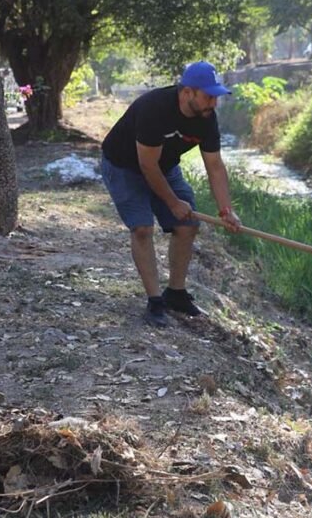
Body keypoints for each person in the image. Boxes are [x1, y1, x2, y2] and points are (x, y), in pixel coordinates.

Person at [101, 60, 241, 327]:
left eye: (216, 97)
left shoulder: (207, 119)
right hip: (124, 166)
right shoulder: (155, 109)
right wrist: (172, 202)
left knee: (187, 224)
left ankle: (176, 293)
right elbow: (146, 165)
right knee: (142, 228)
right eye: (208, 96)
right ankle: (155, 302)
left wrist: (226, 210)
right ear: (187, 92)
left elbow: (214, 166)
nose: (213, 103)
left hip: (164, 167)